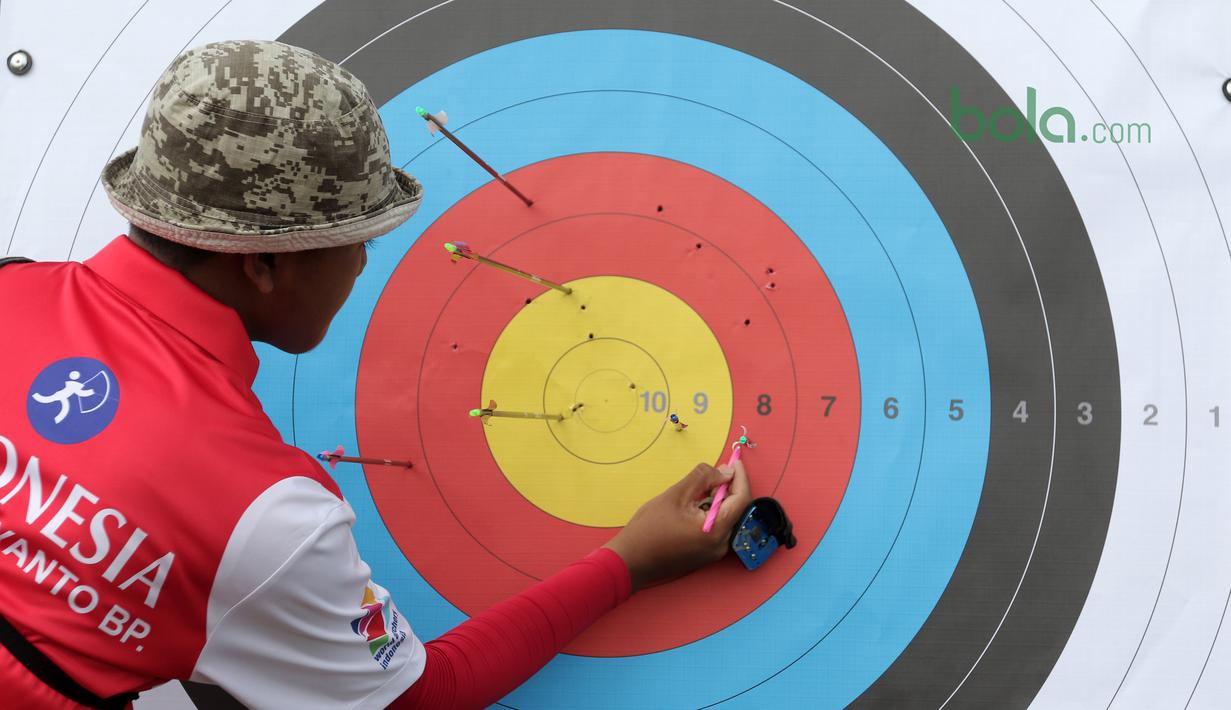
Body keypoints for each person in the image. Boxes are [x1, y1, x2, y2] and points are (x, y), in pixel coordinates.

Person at [0, 40, 750, 709]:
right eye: (353, 240)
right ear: (264, 264)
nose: (363, 261)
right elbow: (421, 697)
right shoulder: (261, 515)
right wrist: (629, 562)